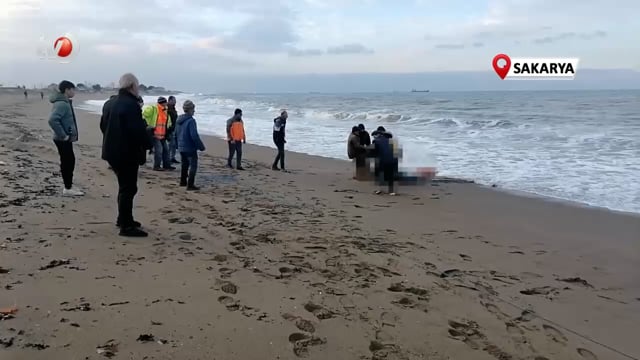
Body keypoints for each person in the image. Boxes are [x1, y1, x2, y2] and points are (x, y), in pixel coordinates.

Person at [101, 73, 153, 237]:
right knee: (128, 188)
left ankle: (124, 219)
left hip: (112, 152)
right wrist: (149, 143)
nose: (138, 89)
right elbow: (137, 131)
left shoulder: (110, 103)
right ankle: (126, 226)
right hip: (125, 153)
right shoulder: (131, 105)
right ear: (132, 86)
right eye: (137, 86)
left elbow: (103, 126)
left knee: (125, 187)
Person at [48, 80, 84, 196]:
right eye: (73, 89)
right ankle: (68, 188)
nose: (74, 92)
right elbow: (52, 120)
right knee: (68, 162)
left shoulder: (64, 102)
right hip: (62, 139)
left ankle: (68, 186)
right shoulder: (62, 104)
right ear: (67, 90)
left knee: (69, 161)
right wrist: (63, 135)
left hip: (64, 138)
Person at [176, 100, 205, 190]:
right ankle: (190, 185)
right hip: (190, 147)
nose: (194, 111)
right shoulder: (191, 121)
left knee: (184, 165)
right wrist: (201, 146)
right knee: (193, 166)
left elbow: (175, 134)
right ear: (189, 109)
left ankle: (183, 182)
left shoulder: (179, 120)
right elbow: (194, 136)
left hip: (181, 146)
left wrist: (177, 145)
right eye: (193, 109)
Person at [142, 97, 175, 171]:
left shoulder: (165, 111)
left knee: (165, 150)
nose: (167, 104)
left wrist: (169, 128)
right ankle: (156, 166)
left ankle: (166, 165)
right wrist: (148, 126)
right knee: (159, 150)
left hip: (162, 135)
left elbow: (167, 122)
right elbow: (143, 115)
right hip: (154, 134)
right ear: (163, 103)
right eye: (165, 102)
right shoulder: (153, 108)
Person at [371, 126, 398, 195]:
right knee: (390, 175)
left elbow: (374, 153)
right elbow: (397, 153)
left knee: (380, 173)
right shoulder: (393, 142)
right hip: (393, 161)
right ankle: (391, 191)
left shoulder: (377, 141)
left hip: (383, 160)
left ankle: (380, 189)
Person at [167, 95, 179, 164]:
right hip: (170, 129)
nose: (175, 102)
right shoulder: (167, 109)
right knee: (171, 144)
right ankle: (168, 158)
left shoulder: (173, 108)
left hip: (174, 128)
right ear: (170, 100)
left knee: (173, 144)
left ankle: (172, 157)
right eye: (174, 100)